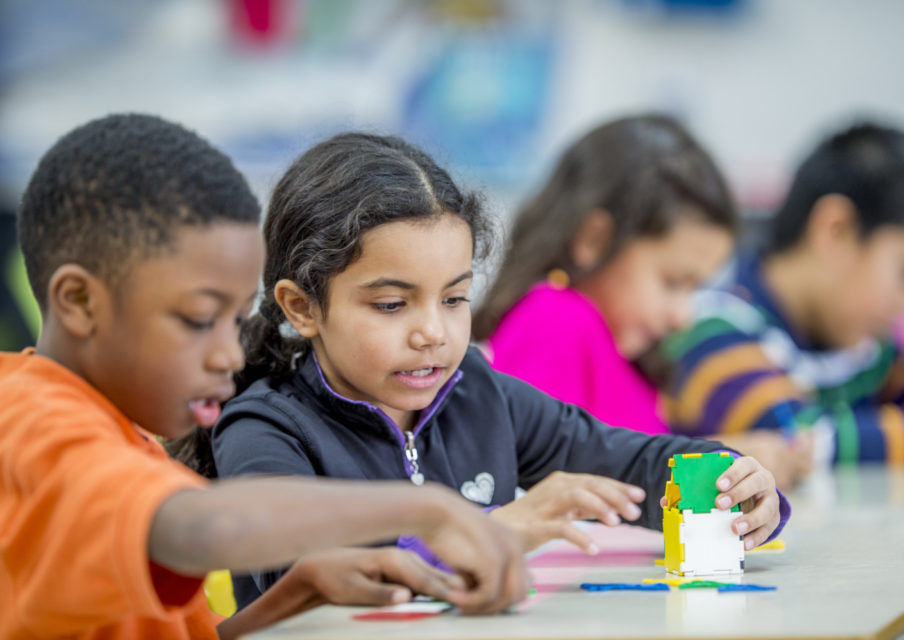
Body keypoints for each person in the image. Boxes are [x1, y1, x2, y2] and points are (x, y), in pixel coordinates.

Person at [0, 114, 529, 640]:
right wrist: (426, 508)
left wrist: (296, 594)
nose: (231, 355)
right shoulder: (32, 420)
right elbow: (204, 525)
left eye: (233, 322)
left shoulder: (118, 435)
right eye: (199, 320)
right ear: (81, 301)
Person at [209, 131, 788, 608]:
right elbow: (304, 576)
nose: (433, 332)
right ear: (302, 307)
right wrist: (489, 532)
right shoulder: (263, 429)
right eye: (391, 305)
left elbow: (634, 462)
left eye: (455, 299)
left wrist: (735, 482)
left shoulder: (479, 396)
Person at [472, 114, 736, 436]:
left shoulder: (623, 354)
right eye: (672, 283)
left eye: (694, 289)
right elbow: (537, 474)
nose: (682, 316)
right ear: (594, 240)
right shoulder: (554, 319)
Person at [664, 121, 904, 471]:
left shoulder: (870, 348)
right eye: (901, 272)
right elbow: (791, 440)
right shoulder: (711, 330)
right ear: (835, 231)